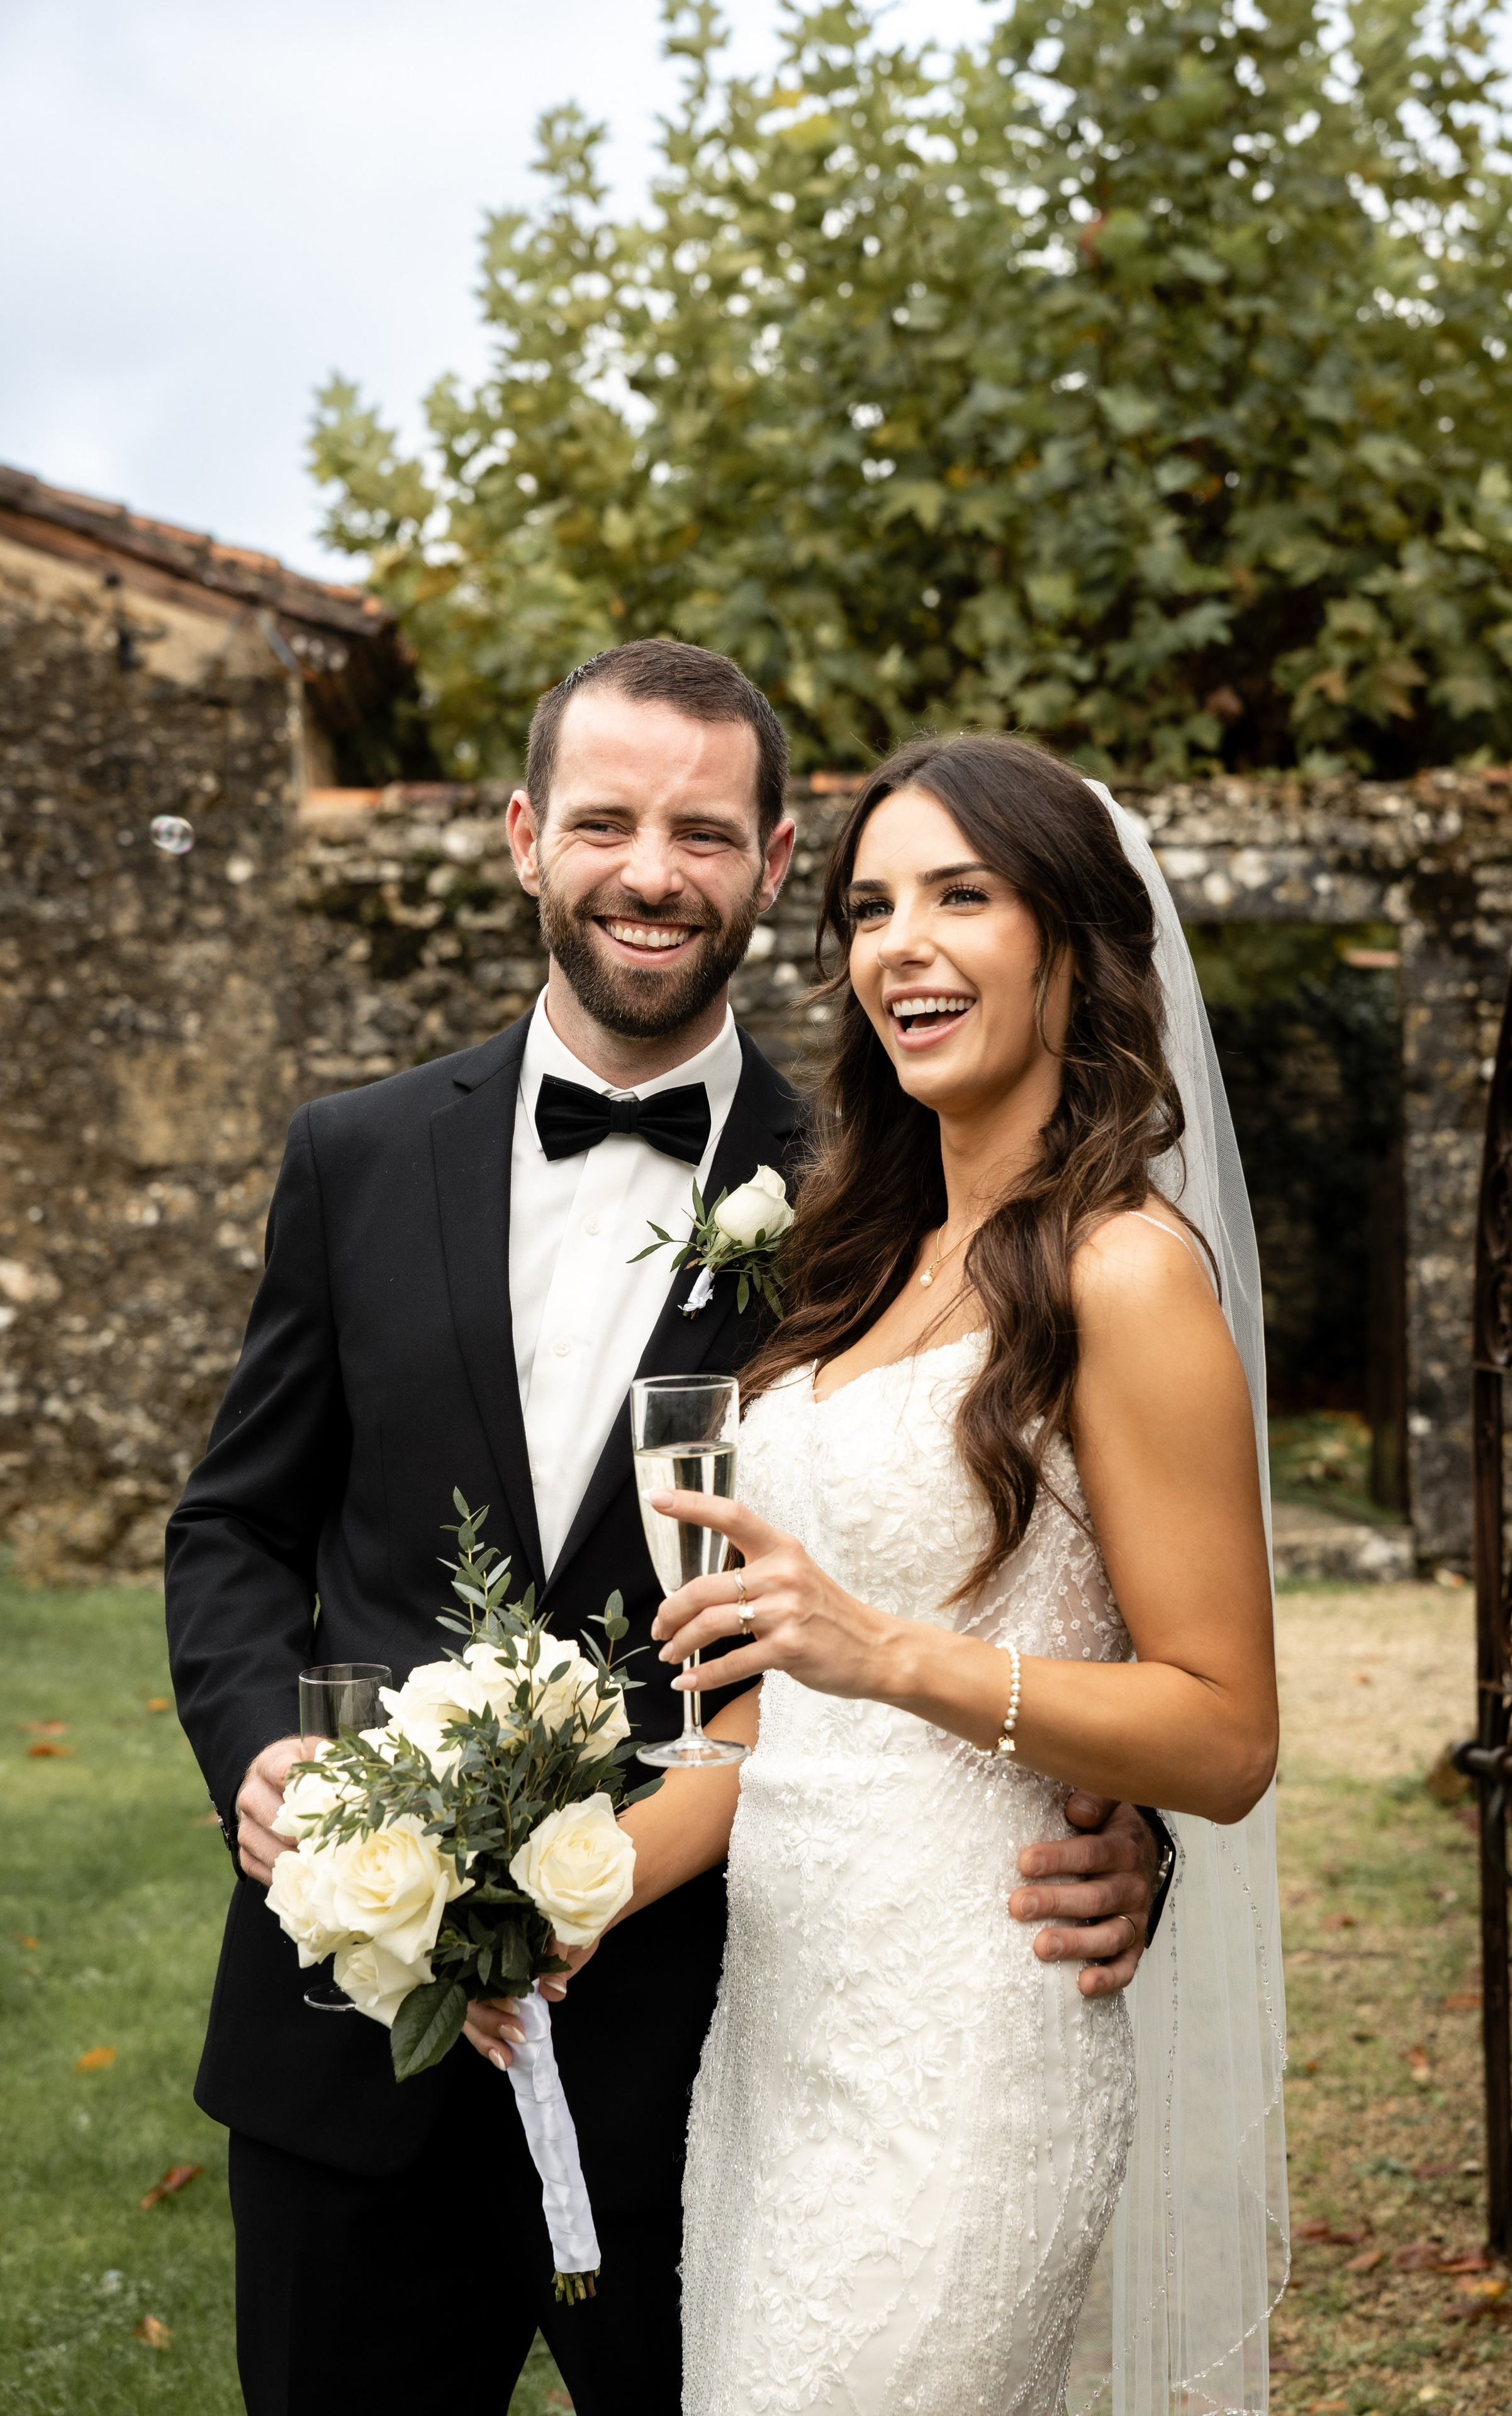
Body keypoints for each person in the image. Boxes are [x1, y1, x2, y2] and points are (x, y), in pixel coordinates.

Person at [165, 644, 1170, 2416]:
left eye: (704, 832)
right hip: (345, 2040)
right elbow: (237, 1528)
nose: (653, 871)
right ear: (523, 839)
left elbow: (996, 1534)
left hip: (719, 2061)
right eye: (609, 821)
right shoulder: (355, 1157)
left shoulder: (886, 1196)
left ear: (774, 867)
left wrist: (1122, 1826)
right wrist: (259, 1752)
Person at [609, 733, 1287, 2414]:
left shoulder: (1125, 1272)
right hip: (776, 2050)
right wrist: (542, 1903)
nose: (898, 944)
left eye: (960, 897)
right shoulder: (856, 1267)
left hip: (973, 2044)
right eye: (867, 908)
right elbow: (761, 1741)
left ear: (1070, 946)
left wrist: (890, 1653)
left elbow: (1222, 1735)